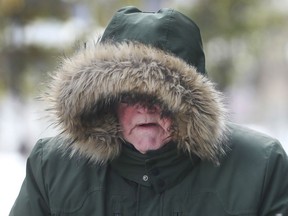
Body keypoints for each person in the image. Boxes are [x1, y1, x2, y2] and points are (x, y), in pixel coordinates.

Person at [10, 6, 288, 216]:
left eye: (162, 94)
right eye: (130, 93)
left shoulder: (260, 166)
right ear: (106, 100)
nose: (146, 107)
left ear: (191, 104)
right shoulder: (54, 167)